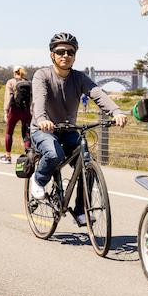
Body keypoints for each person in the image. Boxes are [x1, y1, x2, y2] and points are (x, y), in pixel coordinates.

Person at [29, 32, 128, 226]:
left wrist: (116, 112)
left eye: (70, 52)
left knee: (87, 164)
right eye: (60, 52)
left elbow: (97, 93)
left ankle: (81, 210)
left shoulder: (79, 78)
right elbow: (39, 100)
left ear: (75, 55)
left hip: (68, 130)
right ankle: (39, 179)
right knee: (54, 154)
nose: (65, 55)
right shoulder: (42, 75)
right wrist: (42, 119)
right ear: (52, 55)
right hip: (43, 129)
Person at [0, 65, 32, 164]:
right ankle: (28, 155)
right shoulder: (29, 83)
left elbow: (9, 97)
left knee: (9, 133)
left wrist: (6, 111)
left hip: (14, 111)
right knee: (26, 133)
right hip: (26, 111)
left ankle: (8, 156)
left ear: (14, 73)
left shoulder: (11, 82)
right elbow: (32, 98)